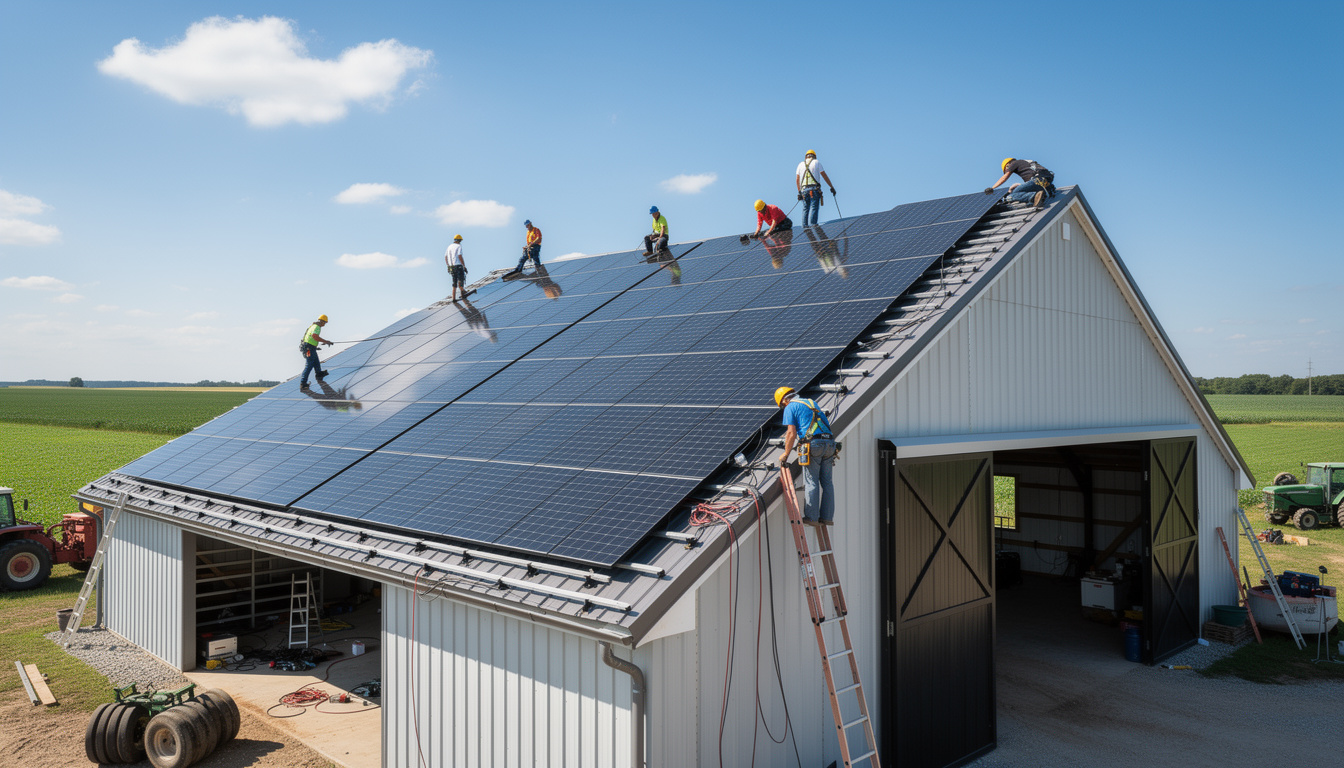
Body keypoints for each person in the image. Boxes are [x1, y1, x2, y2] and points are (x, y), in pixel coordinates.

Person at [775, 386, 838, 526]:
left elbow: (791, 433)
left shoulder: (791, 407)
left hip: (813, 445)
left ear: (785, 400)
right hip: (829, 444)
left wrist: (785, 454)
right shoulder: (811, 402)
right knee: (827, 482)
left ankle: (812, 517)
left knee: (811, 481)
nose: (784, 407)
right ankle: (827, 517)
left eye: (782, 404)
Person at [984, 157, 1056, 208]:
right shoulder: (1026, 164)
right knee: (1021, 192)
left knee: (1011, 196)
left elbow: (1004, 177)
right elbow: (1029, 185)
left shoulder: (1014, 163)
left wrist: (992, 188)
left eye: (1006, 169)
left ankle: (1034, 196)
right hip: (1046, 181)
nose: (1007, 171)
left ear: (1008, 164)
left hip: (1037, 180)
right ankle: (1043, 193)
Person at [795, 150, 836, 228]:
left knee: (805, 208)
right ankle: (813, 225)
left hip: (804, 191)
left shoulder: (800, 164)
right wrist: (831, 187)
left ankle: (805, 227)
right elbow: (824, 175)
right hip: (814, 189)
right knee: (814, 207)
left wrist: (799, 192)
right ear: (814, 156)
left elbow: (797, 179)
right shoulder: (816, 162)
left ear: (806, 156)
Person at [299, 314, 334, 390]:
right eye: (325, 322)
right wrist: (326, 341)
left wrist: (316, 345)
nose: (324, 324)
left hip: (310, 347)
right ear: (322, 321)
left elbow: (312, 338)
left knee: (316, 361)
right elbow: (315, 336)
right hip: (309, 348)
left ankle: (319, 374)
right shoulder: (317, 327)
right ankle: (303, 383)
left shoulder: (313, 326)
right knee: (309, 365)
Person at [444, 234, 469, 302]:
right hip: (458, 265)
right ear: (459, 240)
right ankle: (463, 291)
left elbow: (445, 257)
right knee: (461, 280)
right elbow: (459, 255)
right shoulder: (459, 246)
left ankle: (454, 298)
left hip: (451, 266)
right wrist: (464, 265)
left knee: (454, 282)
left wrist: (448, 265)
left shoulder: (449, 247)